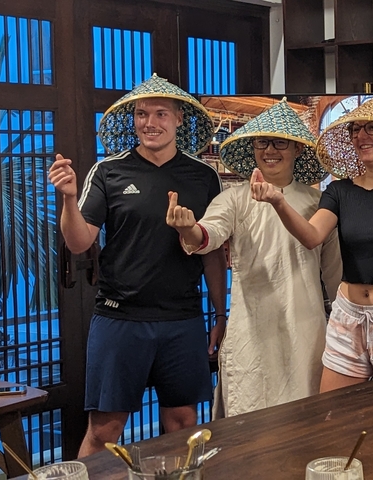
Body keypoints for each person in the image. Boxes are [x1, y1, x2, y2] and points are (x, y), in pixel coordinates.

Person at [48, 74, 226, 457]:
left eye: (161, 113)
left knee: (183, 424)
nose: (150, 122)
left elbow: (212, 251)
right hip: (120, 317)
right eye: (142, 114)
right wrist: (68, 199)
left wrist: (221, 313)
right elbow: (79, 242)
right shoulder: (109, 171)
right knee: (104, 430)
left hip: (181, 319)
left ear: (179, 119)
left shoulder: (204, 176)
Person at [251, 92, 373, 392]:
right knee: (333, 410)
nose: (360, 136)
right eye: (355, 129)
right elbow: (312, 236)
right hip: (348, 315)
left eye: (372, 128)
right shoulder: (340, 191)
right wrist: (278, 202)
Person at [165, 99, 342, 417]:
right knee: (250, 419)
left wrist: (343, 327)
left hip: (306, 329)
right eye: (262, 142)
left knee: (305, 420)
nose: (270, 150)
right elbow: (208, 235)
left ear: (297, 149)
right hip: (252, 329)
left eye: (280, 142)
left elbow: (334, 274)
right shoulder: (235, 198)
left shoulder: (318, 202)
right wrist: (189, 229)